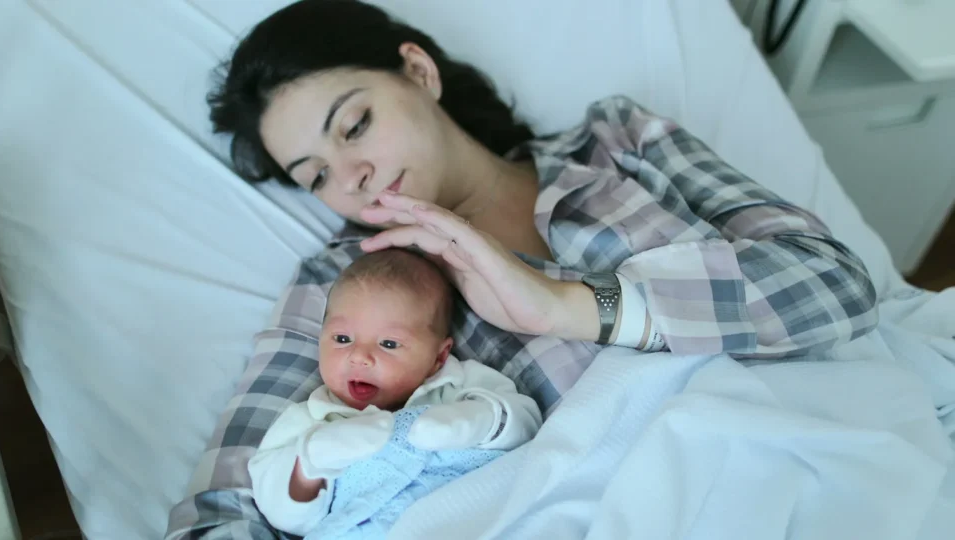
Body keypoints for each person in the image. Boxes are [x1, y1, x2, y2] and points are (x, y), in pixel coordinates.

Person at [166, 1, 879, 537]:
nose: (352, 177)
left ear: (418, 71)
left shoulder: (616, 143)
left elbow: (834, 283)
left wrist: (567, 307)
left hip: (819, 448)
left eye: (355, 126)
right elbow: (224, 506)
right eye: (315, 175)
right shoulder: (346, 282)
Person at [247, 248, 542, 537]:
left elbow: (527, 426)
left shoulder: (459, 383)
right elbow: (283, 516)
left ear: (438, 357)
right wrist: (311, 465)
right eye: (342, 338)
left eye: (388, 344)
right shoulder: (309, 420)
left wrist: (472, 421)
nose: (359, 356)